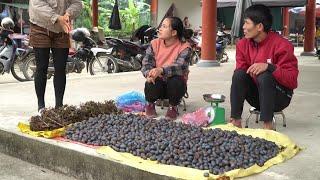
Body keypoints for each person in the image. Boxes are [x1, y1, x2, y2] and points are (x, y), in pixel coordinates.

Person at [229, 4, 299, 130]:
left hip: (279, 97)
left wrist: (270, 67)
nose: (243, 27)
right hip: (257, 97)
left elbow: (292, 80)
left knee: (265, 75)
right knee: (239, 74)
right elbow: (242, 74)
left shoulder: (282, 45)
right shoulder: (242, 45)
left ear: (259, 26)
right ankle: (235, 121)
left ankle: (268, 127)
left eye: (247, 23)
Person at [29, 0, 82, 112]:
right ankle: (41, 106)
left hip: (62, 29)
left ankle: (59, 106)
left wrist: (68, 14)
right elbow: (37, 4)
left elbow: (77, 3)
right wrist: (57, 18)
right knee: (41, 67)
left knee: (60, 68)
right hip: (40, 27)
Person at [141, 16, 192, 120]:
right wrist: (149, 73)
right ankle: (150, 105)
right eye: (161, 26)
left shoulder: (185, 47)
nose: (160, 28)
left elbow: (180, 67)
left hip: (175, 86)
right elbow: (146, 62)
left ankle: (173, 106)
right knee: (150, 81)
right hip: (158, 83)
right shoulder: (154, 43)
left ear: (174, 32)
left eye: (164, 26)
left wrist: (161, 70)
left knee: (176, 80)